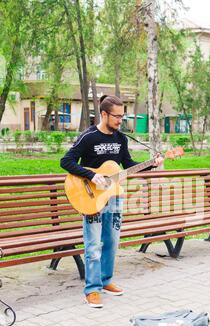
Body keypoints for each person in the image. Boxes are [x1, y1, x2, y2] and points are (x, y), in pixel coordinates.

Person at [60, 95, 164, 308]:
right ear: (104, 114)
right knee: (93, 244)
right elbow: (66, 161)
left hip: (114, 196)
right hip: (91, 197)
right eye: (116, 116)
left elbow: (127, 164)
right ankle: (92, 289)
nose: (120, 121)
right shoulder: (88, 137)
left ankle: (106, 281)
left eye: (122, 116)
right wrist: (90, 175)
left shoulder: (120, 138)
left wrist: (152, 164)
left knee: (112, 242)